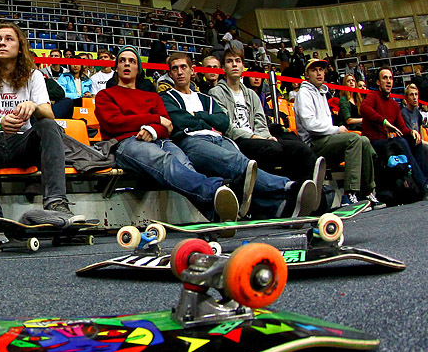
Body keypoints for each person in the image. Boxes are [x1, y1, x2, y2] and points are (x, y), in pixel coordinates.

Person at [0, 23, 82, 248]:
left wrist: (33, 106)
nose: (2, 42)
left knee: (48, 125)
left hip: (24, 144)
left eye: (9, 39)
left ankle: (56, 203)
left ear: (20, 48)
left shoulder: (33, 75)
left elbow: (48, 113)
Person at [161, 52, 318, 219]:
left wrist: (198, 116)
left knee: (239, 171)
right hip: (192, 141)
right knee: (238, 163)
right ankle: (289, 187)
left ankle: (276, 207)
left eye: (183, 67)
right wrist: (207, 120)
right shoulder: (166, 97)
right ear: (170, 74)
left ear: (192, 71)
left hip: (220, 138)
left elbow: (223, 121)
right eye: (174, 69)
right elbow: (179, 121)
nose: (179, 72)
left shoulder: (205, 98)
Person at [96, 45, 242, 223]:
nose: (127, 64)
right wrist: (154, 120)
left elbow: (168, 126)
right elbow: (113, 123)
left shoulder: (152, 96)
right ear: (116, 67)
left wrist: (152, 129)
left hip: (160, 139)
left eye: (132, 61)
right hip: (128, 142)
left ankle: (217, 214)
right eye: (122, 61)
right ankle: (218, 188)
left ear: (138, 68)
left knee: (184, 164)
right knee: (165, 161)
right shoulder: (105, 95)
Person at [209, 47, 322, 185]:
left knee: (300, 148)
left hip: (259, 138)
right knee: (272, 149)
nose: (234, 64)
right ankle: (282, 188)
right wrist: (255, 137)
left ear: (243, 66)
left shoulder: (251, 94)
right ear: (223, 68)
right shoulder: (216, 93)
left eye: (238, 61)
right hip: (237, 140)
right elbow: (226, 125)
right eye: (229, 61)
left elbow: (260, 122)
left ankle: (305, 189)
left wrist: (266, 136)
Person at [294, 58, 379, 206]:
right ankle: (349, 194)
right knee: (354, 139)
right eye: (314, 70)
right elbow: (310, 124)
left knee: (364, 140)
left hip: (327, 140)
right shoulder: (304, 93)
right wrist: (336, 130)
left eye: (321, 69)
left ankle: (367, 191)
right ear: (307, 74)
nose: (319, 73)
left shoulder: (321, 93)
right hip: (314, 144)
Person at [360, 67, 428, 195]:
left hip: (388, 142)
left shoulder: (394, 104)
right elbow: (364, 109)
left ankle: (425, 181)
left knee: (415, 140)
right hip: (374, 142)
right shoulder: (373, 96)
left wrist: (411, 132)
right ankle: (422, 185)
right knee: (400, 141)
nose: (389, 81)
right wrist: (384, 122)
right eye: (385, 78)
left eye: (390, 78)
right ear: (378, 82)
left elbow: (402, 128)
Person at [401, 83, 428, 163]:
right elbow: (412, 136)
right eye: (411, 95)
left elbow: (420, 128)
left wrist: (423, 142)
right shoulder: (404, 113)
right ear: (406, 98)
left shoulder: (416, 111)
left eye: (416, 94)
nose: (415, 97)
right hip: (411, 145)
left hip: (420, 144)